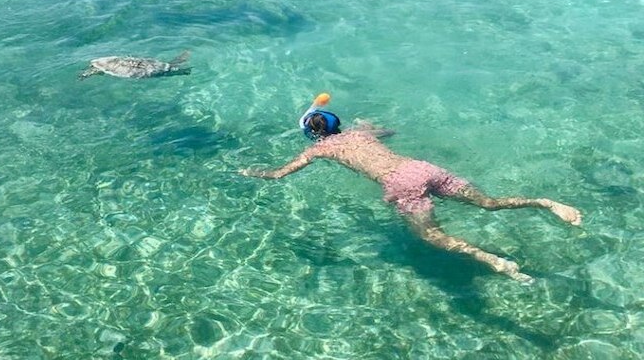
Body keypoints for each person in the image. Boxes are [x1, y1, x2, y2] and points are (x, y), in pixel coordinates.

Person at [240, 103, 582, 283]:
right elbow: (389, 130)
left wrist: (253, 171)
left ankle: (493, 260)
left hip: (401, 184)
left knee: (432, 237)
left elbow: (279, 174)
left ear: (312, 136)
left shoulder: (318, 151)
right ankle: (545, 202)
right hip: (422, 167)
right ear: (338, 124)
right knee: (489, 204)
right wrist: (368, 123)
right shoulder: (361, 132)